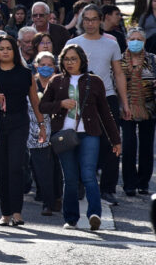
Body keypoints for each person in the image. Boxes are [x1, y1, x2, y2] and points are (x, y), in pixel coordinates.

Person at [40, 45, 121, 231]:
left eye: (74, 59)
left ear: (82, 61)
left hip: (89, 134)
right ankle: (71, 219)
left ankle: (94, 214)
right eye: (66, 59)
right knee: (70, 178)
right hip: (64, 135)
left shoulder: (95, 81)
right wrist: (60, 104)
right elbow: (43, 106)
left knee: (88, 174)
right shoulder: (56, 81)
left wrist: (116, 140)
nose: (70, 63)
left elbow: (105, 113)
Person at [0, 35, 45, 227]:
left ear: (15, 51)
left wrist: (42, 125)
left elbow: (35, 101)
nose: (5, 51)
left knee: (16, 167)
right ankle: (5, 213)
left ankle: (17, 213)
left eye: (9, 48)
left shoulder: (25, 73)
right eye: (1, 48)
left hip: (19, 123)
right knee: (1, 169)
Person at [66, 4, 129, 205]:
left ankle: (108, 189)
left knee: (111, 142)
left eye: (94, 19)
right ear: (82, 21)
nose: (90, 23)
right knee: (77, 141)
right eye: (87, 19)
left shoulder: (111, 44)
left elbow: (118, 74)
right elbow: (65, 73)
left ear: (101, 20)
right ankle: (78, 184)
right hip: (79, 98)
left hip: (106, 97)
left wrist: (125, 103)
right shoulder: (73, 43)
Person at [119, 27, 155, 197]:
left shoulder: (153, 60)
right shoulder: (118, 60)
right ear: (127, 41)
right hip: (126, 108)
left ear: (145, 42)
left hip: (149, 108)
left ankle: (143, 183)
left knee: (147, 146)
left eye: (139, 39)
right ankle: (129, 184)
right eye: (132, 39)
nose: (135, 42)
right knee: (128, 145)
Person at [29, 52, 61, 216]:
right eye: (42, 65)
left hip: (57, 128)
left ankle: (57, 197)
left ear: (55, 67)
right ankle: (46, 201)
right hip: (35, 129)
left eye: (49, 65)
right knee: (41, 166)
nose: (46, 68)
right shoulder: (32, 83)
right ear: (36, 66)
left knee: (56, 165)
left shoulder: (59, 82)